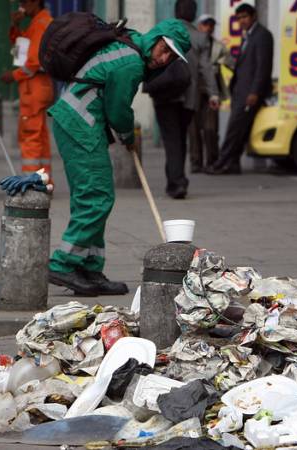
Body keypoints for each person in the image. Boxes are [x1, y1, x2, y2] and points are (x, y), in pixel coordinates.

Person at [48, 19, 190, 296]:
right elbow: (118, 110)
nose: (164, 59)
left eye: (172, 56)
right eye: (165, 50)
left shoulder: (132, 44)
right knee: (97, 196)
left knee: (91, 196)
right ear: (156, 38)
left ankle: (89, 267)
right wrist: (127, 135)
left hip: (77, 121)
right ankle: (64, 263)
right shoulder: (131, 63)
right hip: (81, 123)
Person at [150, 0, 219, 199]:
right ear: (194, 14)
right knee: (180, 139)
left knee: (171, 140)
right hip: (188, 98)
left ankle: (176, 182)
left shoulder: (165, 31)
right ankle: (176, 181)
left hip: (164, 95)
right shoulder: (200, 37)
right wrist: (213, 93)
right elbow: (205, 67)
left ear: (176, 11)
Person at [206, 3, 273, 175]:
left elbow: (262, 68)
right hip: (240, 91)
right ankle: (233, 164)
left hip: (249, 93)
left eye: (245, 17)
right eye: (239, 18)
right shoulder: (248, 36)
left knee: (234, 129)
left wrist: (254, 92)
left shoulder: (262, 36)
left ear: (253, 16)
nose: (242, 21)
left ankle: (221, 163)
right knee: (239, 129)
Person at [1, 0, 55, 179]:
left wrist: (13, 76)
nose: (21, 6)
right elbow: (21, 48)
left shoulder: (40, 24)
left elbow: (32, 62)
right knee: (40, 136)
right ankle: (44, 179)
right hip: (39, 87)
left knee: (30, 135)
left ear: (35, 2)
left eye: (24, 2)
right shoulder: (39, 22)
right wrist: (15, 25)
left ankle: (32, 183)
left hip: (34, 89)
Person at [188, 14, 232, 173]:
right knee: (193, 128)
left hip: (211, 89)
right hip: (193, 88)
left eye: (211, 25)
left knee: (210, 128)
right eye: (206, 24)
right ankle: (195, 161)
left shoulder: (219, 46)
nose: (209, 28)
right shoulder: (191, 42)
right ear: (199, 26)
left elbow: (231, 62)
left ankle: (212, 160)